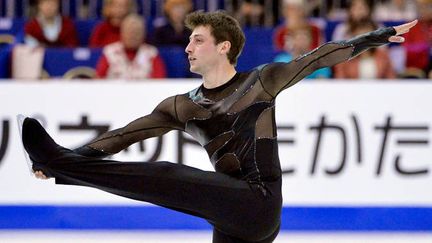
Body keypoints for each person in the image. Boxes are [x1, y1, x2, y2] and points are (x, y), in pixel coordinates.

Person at [21, 11, 416, 243]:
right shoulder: (181, 106)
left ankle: (58, 163)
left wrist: (379, 36)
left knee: (166, 174)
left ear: (224, 46)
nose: (188, 48)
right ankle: (58, 163)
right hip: (229, 218)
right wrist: (72, 157)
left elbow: (319, 58)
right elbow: (122, 137)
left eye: (197, 40)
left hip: (259, 204)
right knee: (167, 177)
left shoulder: (262, 80)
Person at [95, 14, 166, 79]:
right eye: (129, 32)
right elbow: (99, 79)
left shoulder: (151, 53)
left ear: (143, 35)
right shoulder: (110, 52)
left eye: (137, 32)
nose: (133, 36)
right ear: (122, 33)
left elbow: (159, 80)